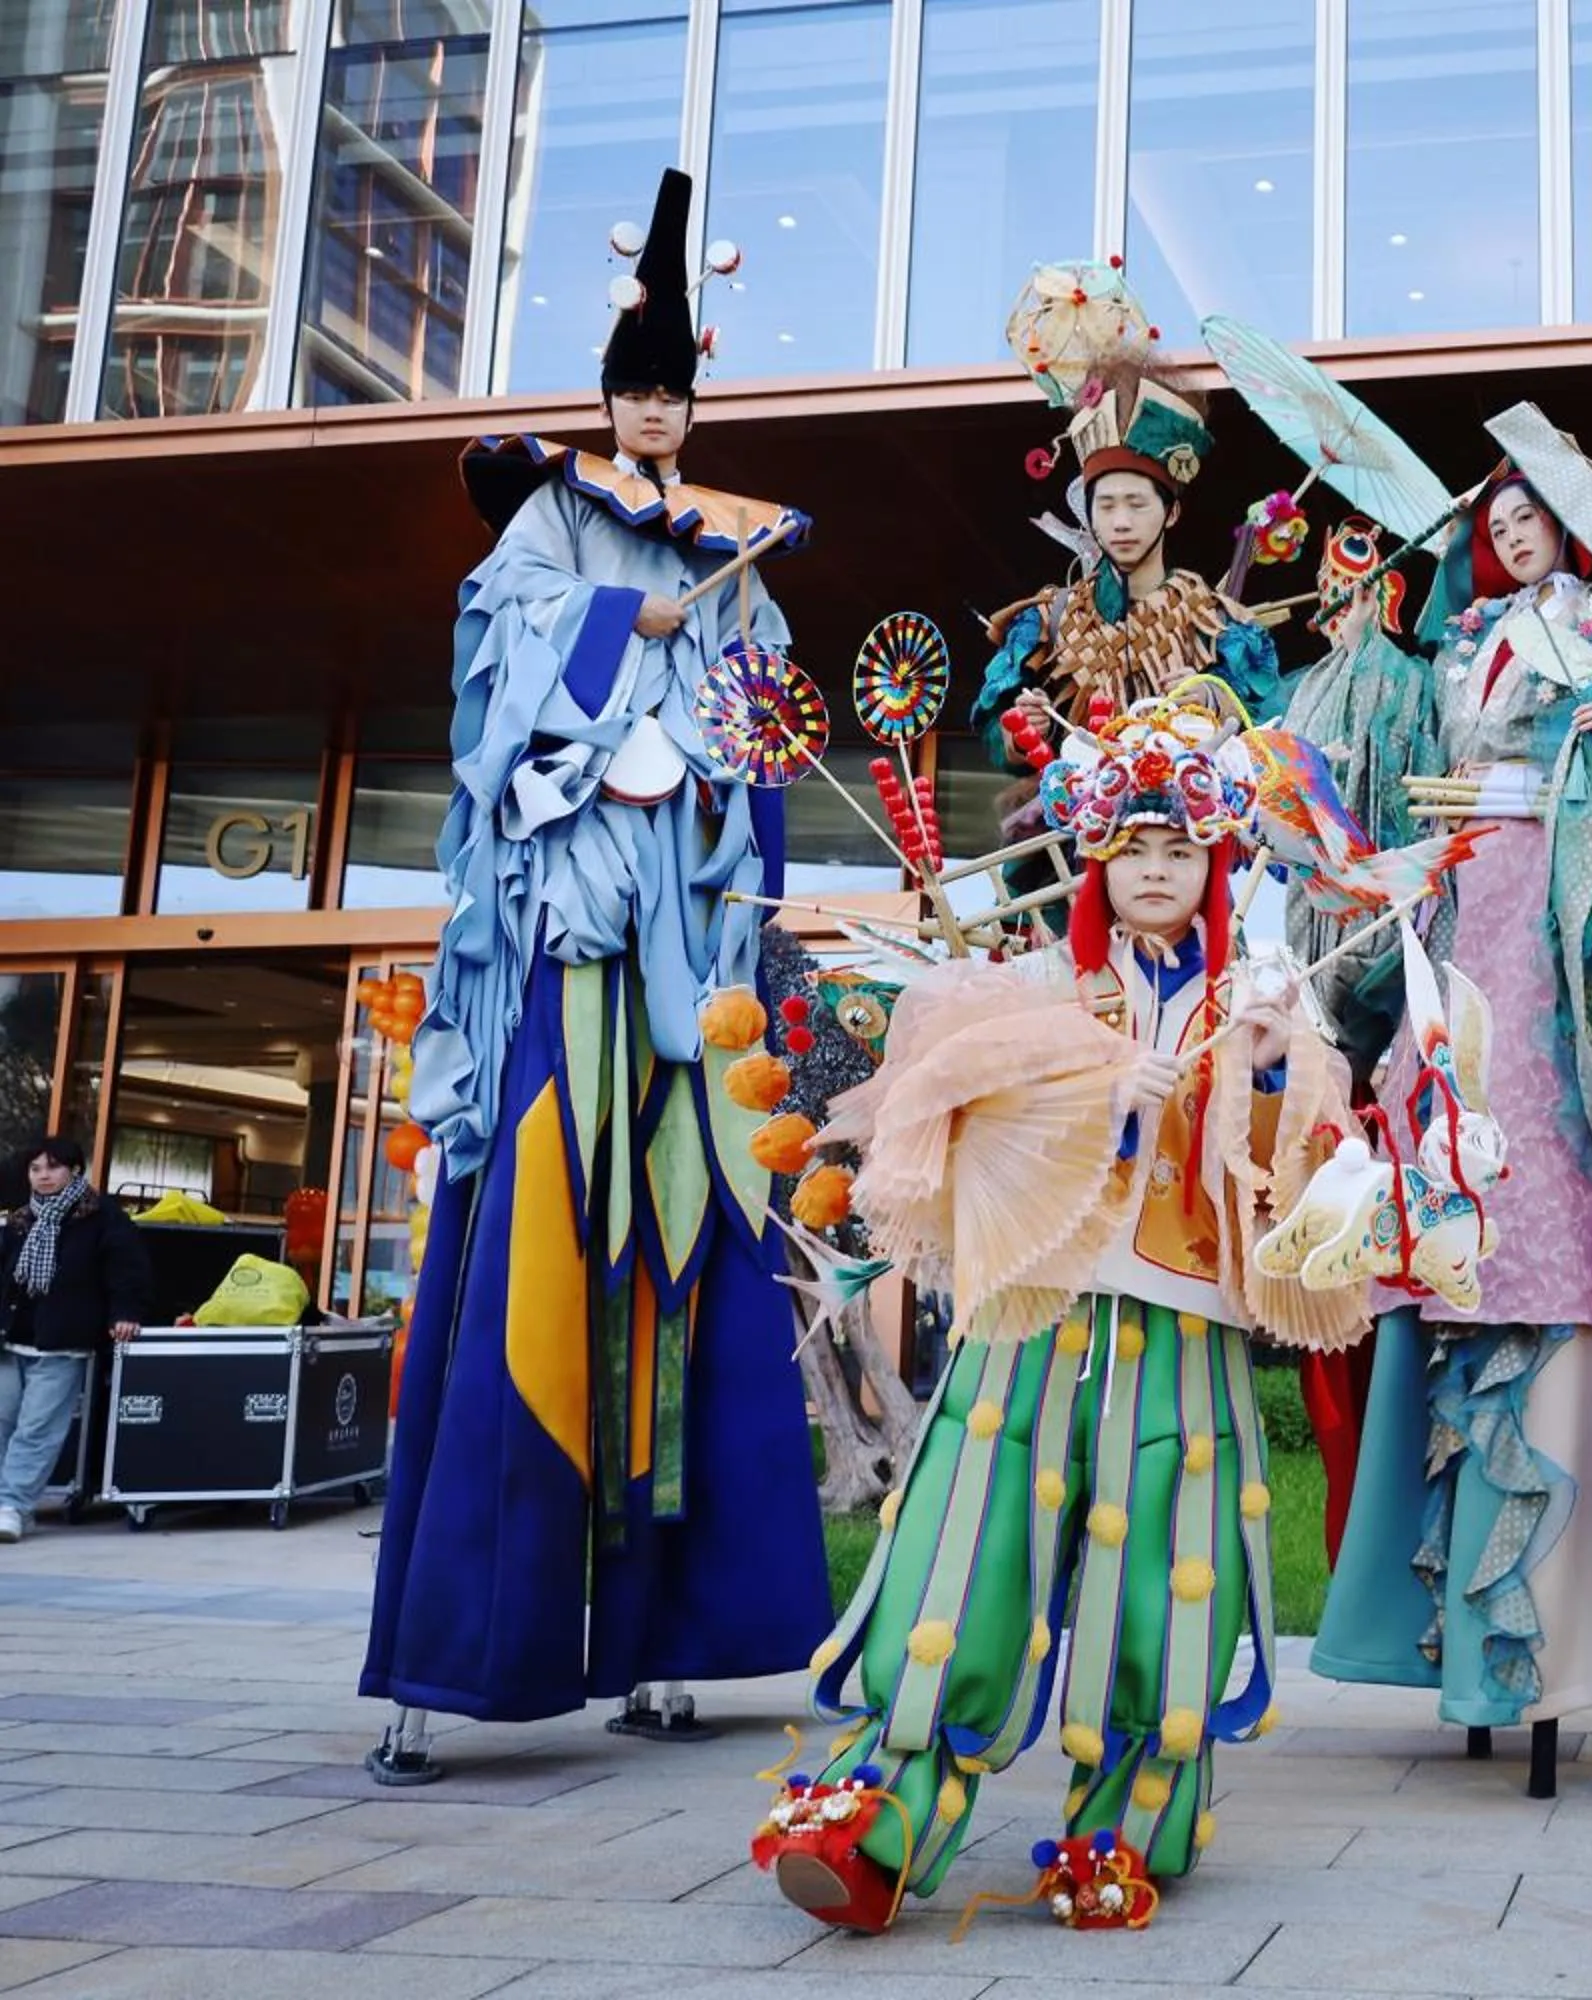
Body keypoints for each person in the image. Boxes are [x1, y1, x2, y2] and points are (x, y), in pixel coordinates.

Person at [360, 167, 832, 1776]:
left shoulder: (737, 552)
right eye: (634, 391)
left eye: (674, 395)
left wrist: (731, 741)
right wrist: (606, 634)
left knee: (695, 1233)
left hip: (686, 939)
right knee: (546, 1237)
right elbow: (498, 664)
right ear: (607, 400)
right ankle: (477, 1646)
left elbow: (763, 721)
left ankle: (678, 1636)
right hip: (572, 903)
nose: (652, 414)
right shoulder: (548, 517)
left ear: (695, 411)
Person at [758, 690, 1365, 1933]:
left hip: (1181, 1318)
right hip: (1034, 1304)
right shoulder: (1035, 979)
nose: (1156, 870)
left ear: (1216, 865)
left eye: (1181, 850)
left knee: (1164, 1565)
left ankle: (1126, 1825)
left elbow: (1312, 1168)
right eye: (1134, 849)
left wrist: (1268, 1074)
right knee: (963, 1546)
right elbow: (953, 1092)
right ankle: (882, 1811)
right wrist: (1094, 1088)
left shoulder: (1260, 996)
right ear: (1095, 860)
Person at [1292, 426, 1592, 1790]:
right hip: (1459, 905)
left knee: (1540, 1181)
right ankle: (1462, 1636)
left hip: (1555, 928)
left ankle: (1552, 1634)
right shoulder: (1453, 653)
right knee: (1446, 1155)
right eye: (1497, 519)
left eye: (1535, 515)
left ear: (1572, 525)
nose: (1515, 534)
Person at [970, 269, 1280, 769]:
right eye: (1106, 505)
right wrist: (1023, 729)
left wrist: (1217, 702)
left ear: (1171, 512)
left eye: (1137, 505)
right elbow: (992, 728)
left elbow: (1273, 730)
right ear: (1086, 512)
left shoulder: (1218, 624)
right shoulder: (1049, 622)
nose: (1120, 522)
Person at [0, 1137, 148, 1544]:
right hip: (12, 1339)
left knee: (37, 1427)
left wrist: (124, 1313)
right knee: (2, 1421)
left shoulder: (102, 1217)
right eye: (35, 1169)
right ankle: (6, 1503)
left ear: (74, 1170)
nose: (44, 1176)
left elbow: (126, 1271)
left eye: (53, 1167)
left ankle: (12, 1505)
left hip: (63, 1339)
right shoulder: (19, 1220)